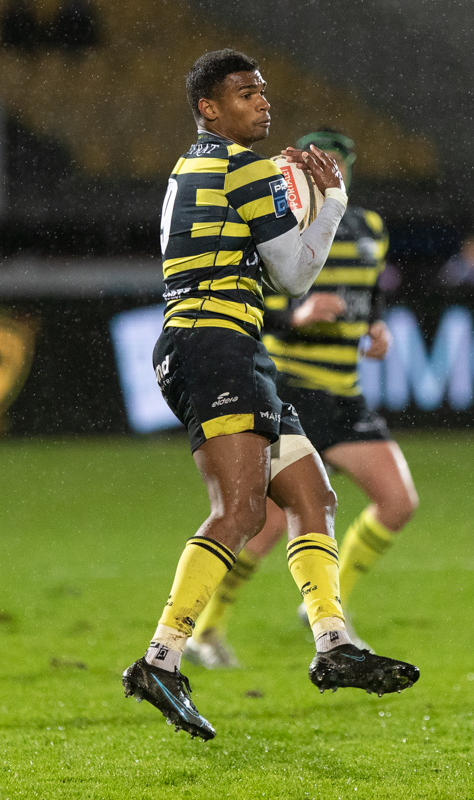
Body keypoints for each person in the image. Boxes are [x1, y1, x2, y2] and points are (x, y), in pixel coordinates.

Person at [120, 49, 418, 741]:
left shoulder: (193, 164)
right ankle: (161, 658)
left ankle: (335, 643)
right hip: (214, 344)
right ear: (209, 108)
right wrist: (331, 201)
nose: (262, 102)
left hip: (226, 347)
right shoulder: (240, 164)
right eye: (245, 94)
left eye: (263, 91)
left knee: (313, 496)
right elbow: (294, 275)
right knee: (241, 511)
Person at [184, 129, 419, 665]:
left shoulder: (370, 229)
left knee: (398, 501)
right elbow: (249, 301)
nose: (325, 172)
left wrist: (376, 328)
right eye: (316, 162)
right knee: (263, 529)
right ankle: (206, 630)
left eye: (335, 164)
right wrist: (297, 315)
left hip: (345, 393)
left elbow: (370, 294)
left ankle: (330, 603)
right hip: (293, 391)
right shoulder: (275, 225)